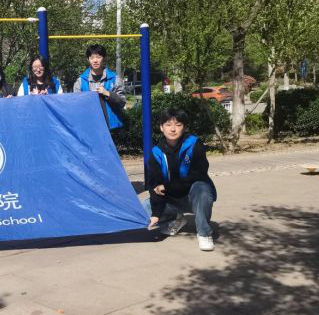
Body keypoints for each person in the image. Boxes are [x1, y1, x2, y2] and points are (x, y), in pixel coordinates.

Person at [144, 108, 218, 251]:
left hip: (193, 196)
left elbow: (198, 174)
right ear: (161, 128)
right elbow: (154, 185)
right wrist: (156, 214)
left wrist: (168, 187)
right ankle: (176, 218)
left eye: (178, 125)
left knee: (202, 189)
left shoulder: (194, 144)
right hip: (171, 199)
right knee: (144, 212)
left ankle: (204, 233)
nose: (173, 129)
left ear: (184, 128)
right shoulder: (156, 153)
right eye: (168, 125)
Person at [73, 44, 126, 130]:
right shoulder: (80, 81)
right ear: (88, 59)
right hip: (89, 127)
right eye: (92, 58)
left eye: (98, 57)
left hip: (112, 128)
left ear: (104, 58)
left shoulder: (115, 79)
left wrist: (108, 94)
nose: (95, 60)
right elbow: (75, 105)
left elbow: (122, 103)